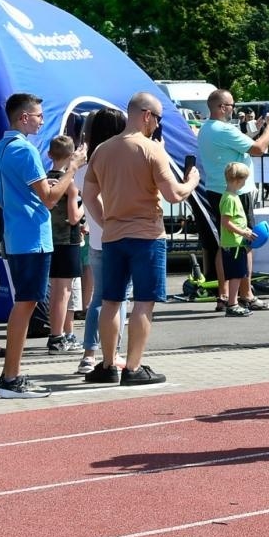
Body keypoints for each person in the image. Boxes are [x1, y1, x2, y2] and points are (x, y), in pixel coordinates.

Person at [82, 92, 200, 387]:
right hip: (146, 234)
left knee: (110, 300)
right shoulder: (151, 149)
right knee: (144, 301)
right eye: (157, 119)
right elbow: (173, 194)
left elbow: (88, 195)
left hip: (113, 236)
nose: (157, 126)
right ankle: (132, 368)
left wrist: (105, 221)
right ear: (146, 115)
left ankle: (108, 364)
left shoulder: (102, 150)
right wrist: (192, 182)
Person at [0, 93, 84, 398]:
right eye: (38, 115)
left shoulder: (1, 148)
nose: (42, 120)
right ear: (23, 117)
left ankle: (11, 375)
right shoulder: (24, 151)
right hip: (31, 237)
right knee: (26, 304)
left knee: (27, 303)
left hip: (19, 234)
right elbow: (50, 198)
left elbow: (1, 196)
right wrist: (73, 166)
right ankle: (10, 378)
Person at [197, 88, 269, 310]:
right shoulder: (223, 130)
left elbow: (243, 142)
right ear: (222, 107)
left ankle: (224, 295)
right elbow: (259, 149)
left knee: (224, 245)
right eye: (232, 105)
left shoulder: (207, 128)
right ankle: (247, 294)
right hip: (237, 192)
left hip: (216, 188)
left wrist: (258, 127)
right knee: (245, 244)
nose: (234, 109)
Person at [74, 108, 130, 375]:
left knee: (102, 297)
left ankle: (91, 352)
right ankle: (107, 352)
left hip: (97, 237)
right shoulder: (116, 162)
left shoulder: (85, 165)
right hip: (117, 234)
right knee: (116, 298)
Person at [45, 135, 86, 353]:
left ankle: (65, 334)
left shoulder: (46, 178)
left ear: (50, 155)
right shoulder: (69, 183)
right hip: (67, 240)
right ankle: (57, 337)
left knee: (59, 291)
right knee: (63, 292)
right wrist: (85, 205)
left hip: (50, 238)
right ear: (72, 156)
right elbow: (73, 217)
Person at [217, 162, 256, 317]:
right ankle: (232, 304)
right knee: (236, 274)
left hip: (236, 242)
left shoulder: (232, 197)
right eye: (244, 180)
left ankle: (233, 302)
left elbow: (235, 220)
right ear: (238, 181)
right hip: (233, 244)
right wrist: (243, 233)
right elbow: (226, 222)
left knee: (239, 273)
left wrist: (245, 230)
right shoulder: (230, 199)